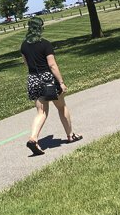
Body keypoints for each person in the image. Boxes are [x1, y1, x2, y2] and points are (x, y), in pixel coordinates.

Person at [21, 17, 82, 156]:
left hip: (33, 79)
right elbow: (52, 65)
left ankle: (33, 138)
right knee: (61, 106)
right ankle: (70, 135)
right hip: (48, 80)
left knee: (41, 112)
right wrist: (61, 82)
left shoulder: (23, 45)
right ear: (40, 28)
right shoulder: (45, 44)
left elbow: (26, 63)